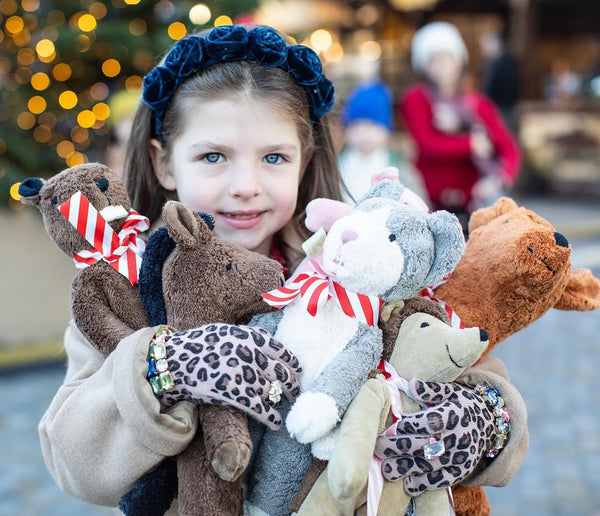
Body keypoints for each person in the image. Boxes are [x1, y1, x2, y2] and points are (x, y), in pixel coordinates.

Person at [38, 24, 528, 514]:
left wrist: (483, 422)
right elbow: (70, 455)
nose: (246, 185)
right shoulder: (125, 288)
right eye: (213, 156)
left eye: (274, 157)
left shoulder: (360, 263)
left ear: (304, 160)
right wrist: (167, 368)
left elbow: (465, 358)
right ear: (164, 164)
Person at [400, 21, 521, 232]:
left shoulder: (478, 105)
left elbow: (508, 148)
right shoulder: (417, 99)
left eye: (447, 57)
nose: (442, 65)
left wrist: (498, 178)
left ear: (458, 60)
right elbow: (428, 145)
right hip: (430, 204)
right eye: (434, 59)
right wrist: (471, 143)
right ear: (424, 65)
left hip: (473, 204)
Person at [338, 79, 430, 205]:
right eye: (357, 126)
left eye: (372, 126)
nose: (365, 134)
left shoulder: (401, 170)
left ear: (386, 131)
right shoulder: (336, 167)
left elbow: (420, 207)